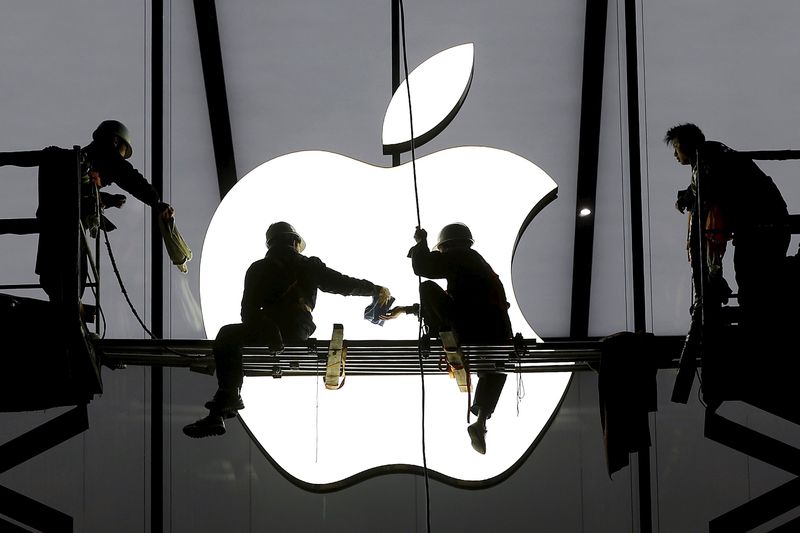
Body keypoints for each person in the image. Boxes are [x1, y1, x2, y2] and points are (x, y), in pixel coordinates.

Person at [183, 221, 392, 438]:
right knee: (231, 335)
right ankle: (222, 406)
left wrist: (268, 328)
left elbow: (247, 313)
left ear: (270, 245)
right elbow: (342, 284)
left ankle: (228, 398)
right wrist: (373, 289)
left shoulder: (257, 268)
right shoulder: (307, 266)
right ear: (294, 242)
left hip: (267, 329)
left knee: (227, 335)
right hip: (296, 329)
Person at [0, 120, 174, 304]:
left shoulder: (74, 164)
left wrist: (108, 200)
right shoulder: (106, 157)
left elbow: (81, 191)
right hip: (68, 230)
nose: (121, 159)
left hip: (54, 227)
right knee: (71, 282)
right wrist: (156, 202)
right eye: (122, 152)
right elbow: (131, 178)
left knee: (58, 281)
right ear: (114, 142)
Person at [383, 223, 512, 454]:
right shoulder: (478, 266)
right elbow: (454, 302)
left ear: (446, 246)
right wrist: (407, 310)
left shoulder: (461, 256)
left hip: (471, 326)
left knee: (427, 288)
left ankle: (442, 334)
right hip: (497, 333)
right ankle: (481, 422)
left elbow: (424, 267)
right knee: (494, 369)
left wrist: (420, 242)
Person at [665, 123, 790, 332]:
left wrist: (711, 275)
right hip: (772, 223)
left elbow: (702, 191)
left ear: (688, 146)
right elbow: (701, 188)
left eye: (676, 147)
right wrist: (688, 196)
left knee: (751, 284)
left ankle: (757, 332)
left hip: (758, 229)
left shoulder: (706, 161)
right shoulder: (717, 154)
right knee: (764, 284)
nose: (675, 154)